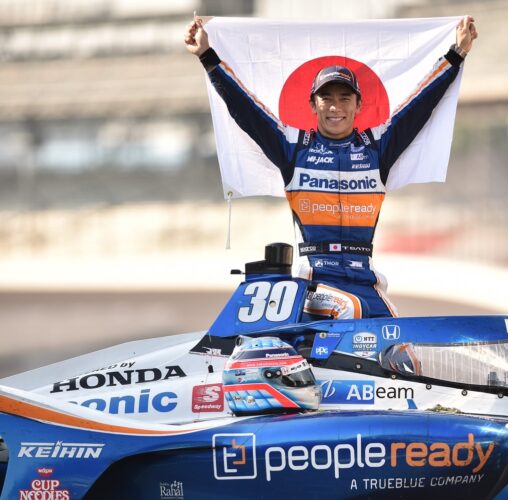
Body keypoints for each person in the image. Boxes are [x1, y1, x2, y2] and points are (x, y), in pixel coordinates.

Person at [185, 16, 478, 319]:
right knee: (349, 310)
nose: (335, 107)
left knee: (401, 350)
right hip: (314, 281)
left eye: (344, 98)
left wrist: (456, 54)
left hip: (365, 278)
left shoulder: (377, 147)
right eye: (326, 98)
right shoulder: (293, 147)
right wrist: (208, 57)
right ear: (313, 105)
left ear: (358, 105)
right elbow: (246, 109)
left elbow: (419, 105)